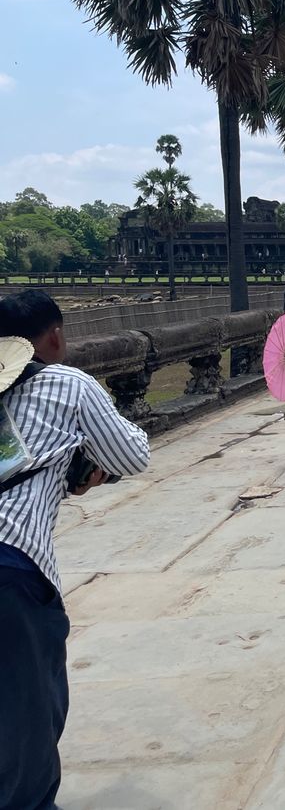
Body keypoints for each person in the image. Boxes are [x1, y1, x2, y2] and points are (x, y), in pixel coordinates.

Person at [0, 290, 151, 809]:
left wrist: (66, 475)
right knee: (27, 718)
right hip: (11, 567)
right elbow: (131, 456)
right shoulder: (66, 381)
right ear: (56, 336)